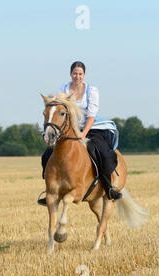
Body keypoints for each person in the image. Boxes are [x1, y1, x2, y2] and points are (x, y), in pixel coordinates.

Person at [38, 61, 122, 206]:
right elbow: (58, 110)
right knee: (46, 155)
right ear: (71, 74)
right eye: (75, 73)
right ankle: (50, 191)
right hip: (68, 129)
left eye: (80, 74)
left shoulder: (92, 91)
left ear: (84, 75)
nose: (77, 76)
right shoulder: (63, 89)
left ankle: (109, 188)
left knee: (102, 152)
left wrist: (83, 134)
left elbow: (91, 116)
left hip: (90, 127)